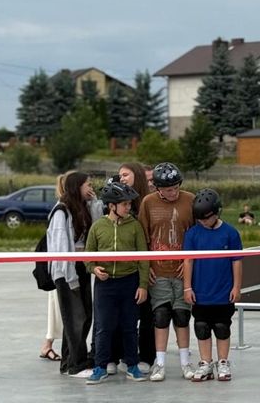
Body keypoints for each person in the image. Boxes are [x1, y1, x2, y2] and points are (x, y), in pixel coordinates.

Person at [83, 182, 149, 385]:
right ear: (112, 206)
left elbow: (144, 257)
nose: (128, 208)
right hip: (105, 285)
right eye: (125, 205)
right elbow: (88, 256)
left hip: (129, 282)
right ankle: (100, 367)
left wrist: (143, 285)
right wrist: (94, 269)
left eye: (129, 204)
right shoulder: (98, 226)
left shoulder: (135, 226)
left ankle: (132, 365)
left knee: (130, 326)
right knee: (103, 327)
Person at [138, 161, 196, 381]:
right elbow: (143, 235)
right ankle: (159, 364)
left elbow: (196, 233)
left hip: (183, 269)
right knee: (161, 316)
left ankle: (185, 362)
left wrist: (189, 262)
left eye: (176, 188)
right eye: (168, 189)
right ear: (157, 188)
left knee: (182, 315)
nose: (173, 193)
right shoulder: (148, 203)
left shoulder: (189, 200)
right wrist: (147, 265)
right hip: (159, 269)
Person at [182, 188, 243, 382]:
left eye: (206, 219)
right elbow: (188, 261)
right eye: (199, 219)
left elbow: (237, 261)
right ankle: (205, 362)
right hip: (200, 291)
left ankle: (223, 362)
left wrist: (236, 287)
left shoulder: (230, 233)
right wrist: (187, 287)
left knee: (222, 327)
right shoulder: (192, 234)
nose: (203, 222)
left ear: (217, 213)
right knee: (201, 327)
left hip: (223, 291)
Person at [48, 170, 101, 377]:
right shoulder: (62, 211)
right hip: (66, 270)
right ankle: (75, 365)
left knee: (85, 315)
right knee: (75, 317)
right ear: (76, 186)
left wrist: (94, 202)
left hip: (81, 267)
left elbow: (96, 228)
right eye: (87, 184)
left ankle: (70, 360)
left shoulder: (84, 208)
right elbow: (61, 250)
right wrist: (70, 278)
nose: (91, 187)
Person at [118, 161, 153, 372]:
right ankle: (125, 353)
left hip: (146, 267)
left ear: (137, 176)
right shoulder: (120, 204)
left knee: (147, 314)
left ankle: (147, 356)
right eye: (120, 175)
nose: (121, 178)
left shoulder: (147, 202)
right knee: (126, 315)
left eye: (125, 175)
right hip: (126, 271)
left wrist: (149, 269)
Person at [40, 173, 66, 362]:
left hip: (58, 269)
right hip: (59, 270)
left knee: (57, 309)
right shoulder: (60, 210)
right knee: (57, 309)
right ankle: (47, 345)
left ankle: (47, 344)